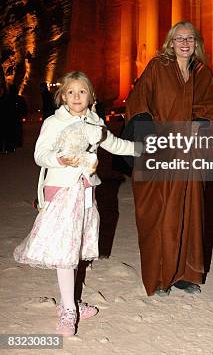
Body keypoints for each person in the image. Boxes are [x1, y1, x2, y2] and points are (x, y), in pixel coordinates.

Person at [14, 71, 142, 336]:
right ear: (62, 96)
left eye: (81, 91)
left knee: (75, 248)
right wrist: (59, 159)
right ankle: (68, 310)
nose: (76, 96)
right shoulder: (54, 121)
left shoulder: (95, 122)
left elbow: (114, 144)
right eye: (70, 92)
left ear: (91, 96)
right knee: (65, 251)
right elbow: (40, 155)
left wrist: (140, 148)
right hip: (61, 191)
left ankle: (68, 300)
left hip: (84, 193)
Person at [125, 21, 213, 296]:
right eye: (179, 38)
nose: (184, 43)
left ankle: (184, 274)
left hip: (190, 152)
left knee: (190, 213)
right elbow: (139, 102)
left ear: (196, 44)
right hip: (160, 151)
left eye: (190, 38)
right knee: (158, 214)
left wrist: (201, 125)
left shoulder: (202, 73)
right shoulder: (158, 67)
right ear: (170, 42)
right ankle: (158, 277)